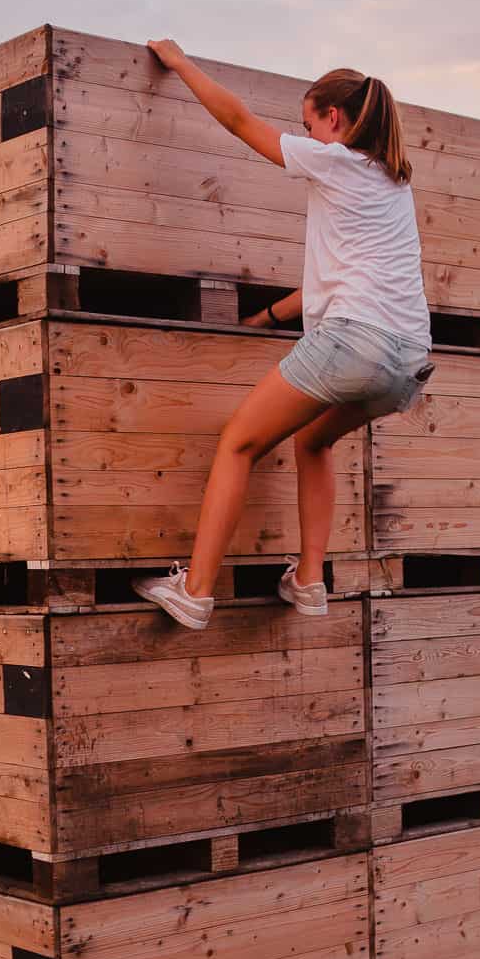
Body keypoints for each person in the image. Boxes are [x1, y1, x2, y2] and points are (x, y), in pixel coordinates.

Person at [133, 38, 433, 629]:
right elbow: (337, 279)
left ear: (335, 119)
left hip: (354, 342)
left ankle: (194, 591)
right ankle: (311, 581)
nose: (306, 135)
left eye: (308, 123)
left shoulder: (336, 159)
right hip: (408, 363)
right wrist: (265, 319)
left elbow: (241, 120)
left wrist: (181, 62)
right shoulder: (395, 186)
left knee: (239, 443)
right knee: (313, 442)